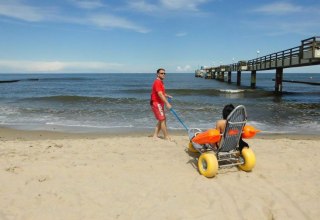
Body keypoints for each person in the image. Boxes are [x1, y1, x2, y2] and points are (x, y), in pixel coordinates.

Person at [150, 68, 172, 140]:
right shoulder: (157, 82)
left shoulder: (161, 82)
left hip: (160, 103)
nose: (163, 74)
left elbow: (161, 92)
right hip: (157, 103)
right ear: (158, 74)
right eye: (161, 73)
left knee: (162, 119)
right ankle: (166, 137)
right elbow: (159, 94)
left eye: (164, 73)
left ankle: (155, 136)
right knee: (162, 120)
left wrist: (167, 95)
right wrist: (167, 103)